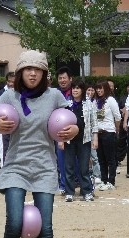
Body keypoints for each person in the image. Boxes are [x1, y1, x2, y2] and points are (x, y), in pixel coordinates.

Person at [0, 50, 79, 238]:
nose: (33, 73)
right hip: (16, 166)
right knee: (14, 221)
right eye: (28, 69)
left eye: (37, 69)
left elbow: (75, 120)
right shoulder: (9, 96)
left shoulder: (54, 96)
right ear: (20, 73)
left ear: (44, 73)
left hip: (44, 167)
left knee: (45, 227)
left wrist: (74, 129)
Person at [64, 79, 98, 202]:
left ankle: (87, 191)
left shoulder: (89, 103)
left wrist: (95, 138)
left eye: (78, 88)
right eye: (73, 88)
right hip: (69, 140)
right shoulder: (66, 103)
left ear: (82, 90)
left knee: (84, 168)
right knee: (69, 167)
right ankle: (69, 192)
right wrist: (61, 140)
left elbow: (94, 122)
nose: (75, 90)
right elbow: (61, 122)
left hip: (85, 139)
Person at [94, 80, 121, 191]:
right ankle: (104, 180)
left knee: (110, 158)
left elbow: (117, 116)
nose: (99, 90)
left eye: (101, 88)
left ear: (105, 88)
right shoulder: (96, 101)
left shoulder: (110, 100)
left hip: (109, 132)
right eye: (97, 88)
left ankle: (111, 181)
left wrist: (116, 129)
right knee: (101, 159)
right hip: (99, 133)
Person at [55, 66, 73, 194]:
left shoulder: (76, 91)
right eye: (60, 78)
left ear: (70, 79)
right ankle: (63, 184)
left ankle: (78, 182)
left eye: (64, 78)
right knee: (61, 160)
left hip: (74, 132)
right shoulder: (55, 94)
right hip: (59, 133)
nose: (62, 80)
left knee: (76, 160)